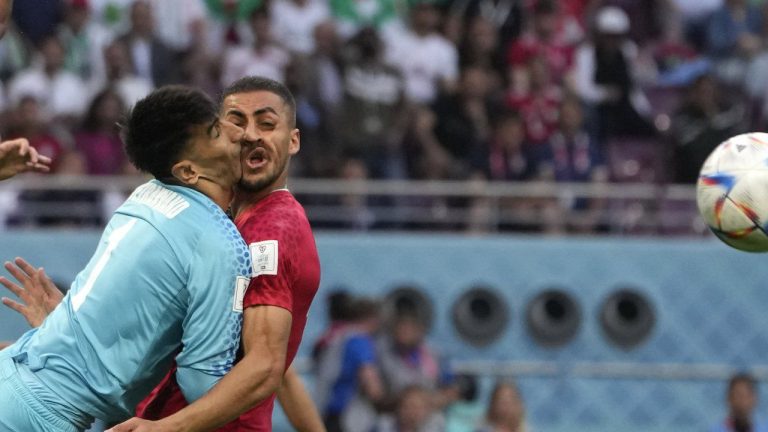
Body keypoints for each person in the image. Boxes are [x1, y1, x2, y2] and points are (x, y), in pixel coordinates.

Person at [0, 85, 264, 431]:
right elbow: (202, 383)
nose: (238, 132)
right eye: (217, 132)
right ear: (187, 171)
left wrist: (68, 329)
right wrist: (262, 367)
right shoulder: (220, 245)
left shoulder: (144, 196)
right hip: (38, 418)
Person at [121, 76, 323, 432]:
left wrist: (168, 428)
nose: (250, 134)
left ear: (293, 141)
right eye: (236, 121)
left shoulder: (270, 230)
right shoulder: (230, 223)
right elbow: (279, 369)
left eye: (266, 123)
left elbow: (264, 365)